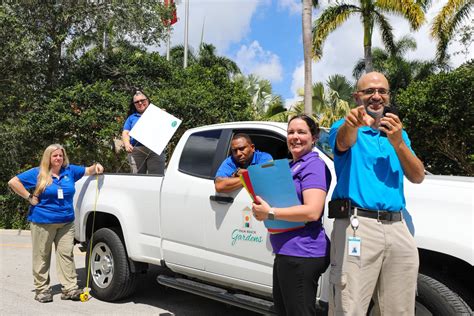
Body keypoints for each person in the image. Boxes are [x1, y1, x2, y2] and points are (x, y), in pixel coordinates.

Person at [328, 71, 425, 315]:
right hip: (359, 225)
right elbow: (343, 142)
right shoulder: (344, 126)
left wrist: (398, 142)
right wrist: (352, 124)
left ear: (388, 96)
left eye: (382, 91)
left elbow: (417, 176)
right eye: (369, 91)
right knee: (350, 307)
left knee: (400, 309)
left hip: (397, 226)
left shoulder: (398, 133)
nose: (376, 96)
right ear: (357, 96)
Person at [252, 115, 331, 316]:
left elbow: (312, 211)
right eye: (291, 132)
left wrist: (269, 212)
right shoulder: (291, 165)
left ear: (314, 138)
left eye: (301, 132)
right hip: (287, 251)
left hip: (302, 253)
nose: (295, 137)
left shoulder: (313, 165)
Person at [8, 144, 104, 303]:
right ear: (48, 158)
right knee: (42, 256)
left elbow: (89, 170)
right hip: (42, 221)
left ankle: (70, 288)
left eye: (60, 155)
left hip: (66, 222)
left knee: (66, 255)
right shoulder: (39, 173)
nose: (58, 158)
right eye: (55, 156)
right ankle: (42, 290)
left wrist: (97, 166)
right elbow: (13, 182)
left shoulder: (70, 171)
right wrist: (29, 197)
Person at [122, 90, 166, 175]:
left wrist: (165, 117)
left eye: (142, 100)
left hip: (155, 151)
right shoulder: (131, 118)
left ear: (148, 100)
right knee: (137, 179)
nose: (140, 103)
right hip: (136, 152)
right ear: (134, 104)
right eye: (137, 102)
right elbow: (125, 132)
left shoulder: (159, 113)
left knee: (156, 178)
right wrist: (127, 144)